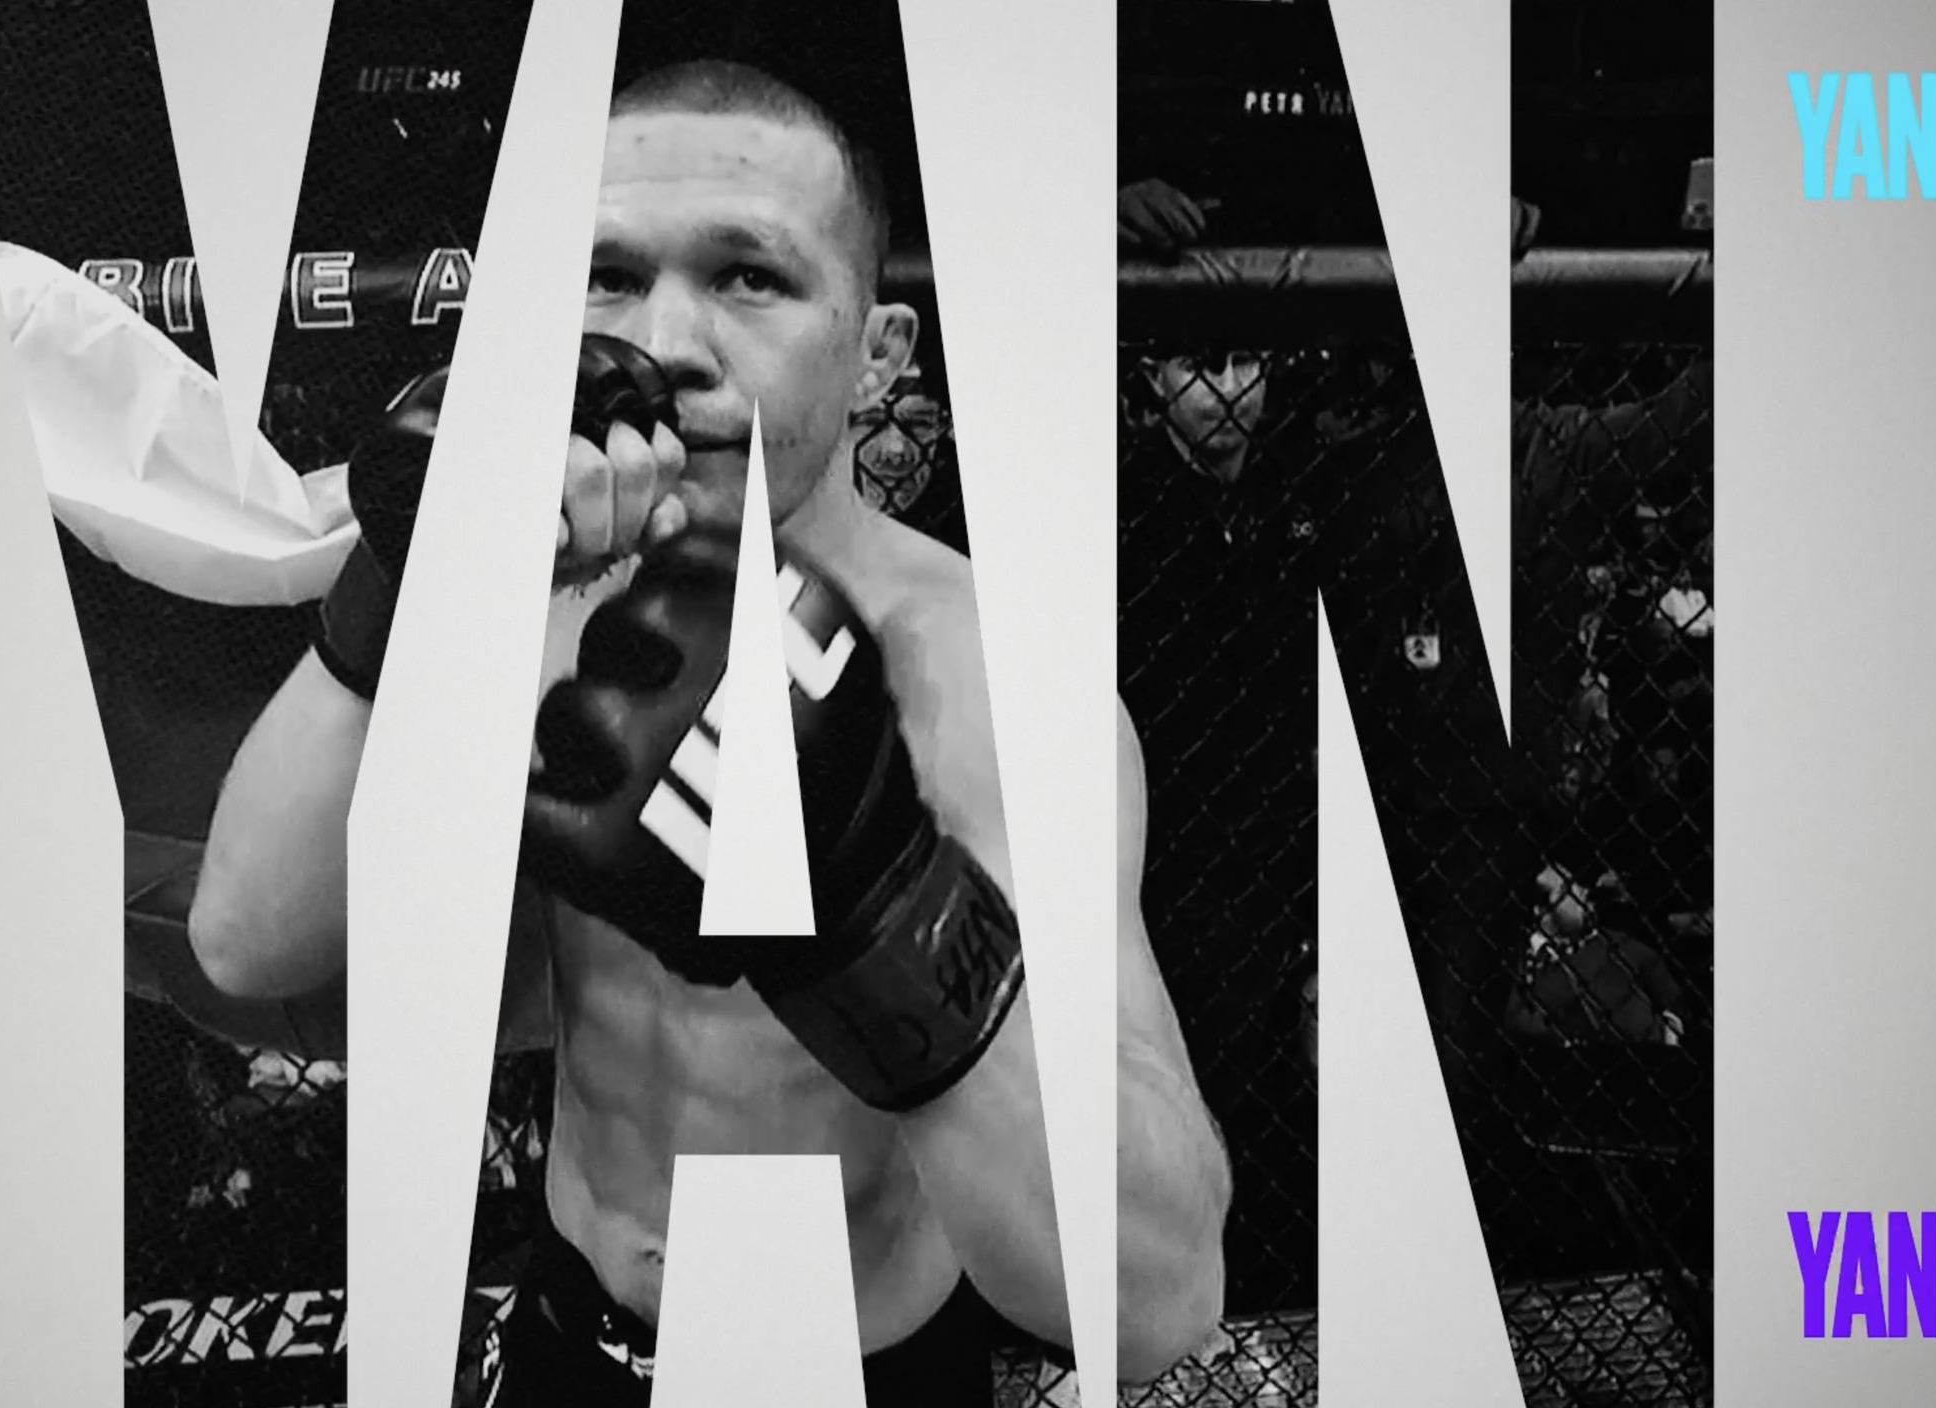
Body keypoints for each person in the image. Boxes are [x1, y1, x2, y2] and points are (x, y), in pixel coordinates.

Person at [187, 59, 1231, 1402]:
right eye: (610, 277)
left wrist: (880, 905)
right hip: (577, 1334)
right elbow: (245, 938)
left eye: (750, 276)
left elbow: (1156, 1298)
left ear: (880, 352)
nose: (670, 343)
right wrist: (403, 575)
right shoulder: (530, 597)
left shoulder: (985, 675)